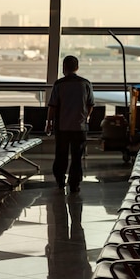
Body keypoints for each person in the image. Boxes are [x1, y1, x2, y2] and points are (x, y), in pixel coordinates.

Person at [46, 55, 94, 193]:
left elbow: (53, 106)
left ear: (64, 68)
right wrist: (85, 117)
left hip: (62, 127)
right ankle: (74, 184)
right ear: (77, 68)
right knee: (77, 156)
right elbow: (90, 104)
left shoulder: (59, 84)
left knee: (61, 155)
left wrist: (49, 122)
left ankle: (60, 180)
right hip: (80, 127)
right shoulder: (86, 84)